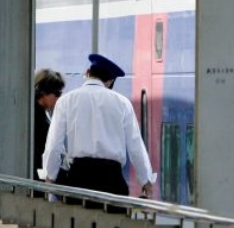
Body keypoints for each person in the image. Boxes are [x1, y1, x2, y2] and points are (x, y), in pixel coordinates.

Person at [41, 53, 156, 198]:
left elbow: (54, 146)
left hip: (78, 179)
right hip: (112, 181)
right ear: (110, 81)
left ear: (88, 74)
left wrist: (49, 176)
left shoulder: (65, 101)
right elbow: (135, 146)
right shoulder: (123, 103)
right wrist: (146, 182)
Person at [32, 68, 65, 180]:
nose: (58, 98)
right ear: (43, 92)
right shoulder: (37, 118)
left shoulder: (38, 114)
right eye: (56, 93)